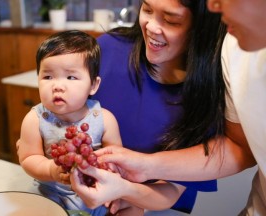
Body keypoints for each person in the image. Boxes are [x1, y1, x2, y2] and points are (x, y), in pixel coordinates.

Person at [71, 0, 266, 215]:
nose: (152, 26)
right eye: (146, 9)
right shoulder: (107, 50)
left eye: (171, 20)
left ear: (199, 27)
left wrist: (130, 192)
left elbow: (174, 188)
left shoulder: (208, 91)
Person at [16, 30, 122, 216]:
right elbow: (28, 158)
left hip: (93, 194)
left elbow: (116, 159)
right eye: (48, 77)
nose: (57, 86)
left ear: (93, 85)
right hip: (49, 193)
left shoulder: (104, 119)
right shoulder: (34, 119)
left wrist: (105, 170)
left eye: (71, 77)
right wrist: (51, 170)